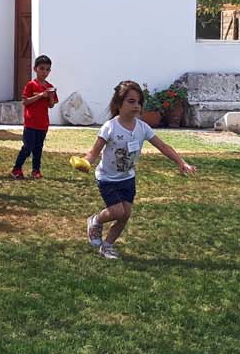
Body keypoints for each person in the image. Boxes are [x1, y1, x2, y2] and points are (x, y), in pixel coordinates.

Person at [84, 81, 196, 260]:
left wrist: (181, 162)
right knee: (117, 212)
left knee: (125, 215)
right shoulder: (110, 127)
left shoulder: (143, 128)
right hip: (107, 178)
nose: (136, 106)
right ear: (118, 104)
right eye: (131, 101)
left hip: (127, 178)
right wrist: (86, 162)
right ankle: (95, 221)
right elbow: (94, 152)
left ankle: (108, 246)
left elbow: (163, 146)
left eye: (139, 102)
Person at [12, 54, 57, 178]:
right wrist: (40, 95)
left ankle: (36, 170)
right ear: (35, 69)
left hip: (43, 123)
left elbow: (51, 105)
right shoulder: (31, 85)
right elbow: (25, 101)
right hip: (31, 122)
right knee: (28, 147)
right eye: (41, 68)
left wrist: (51, 96)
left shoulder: (49, 87)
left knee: (38, 148)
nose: (44, 72)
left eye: (47, 69)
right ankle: (17, 168)